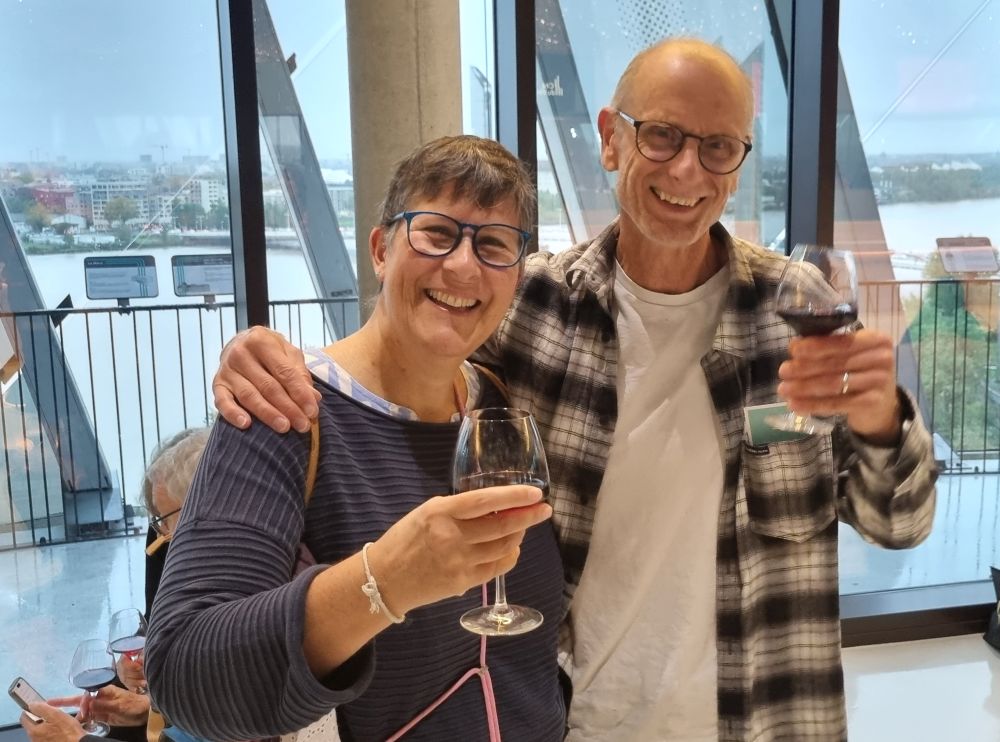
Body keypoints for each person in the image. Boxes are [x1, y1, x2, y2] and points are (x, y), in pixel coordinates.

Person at [211, 37, 939, 742]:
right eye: (661, 136)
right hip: (580, 720)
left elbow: (900, 525)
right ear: (610, 140)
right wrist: (270, 356)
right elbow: (408, 350)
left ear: (738, 163)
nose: (687, 169)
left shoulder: (793, 308)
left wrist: (880, 420)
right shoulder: (531, 305)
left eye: (717, 146)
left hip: (768, 718)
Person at [144, 136, 565, 741]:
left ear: (517, 274)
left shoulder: (496, 404)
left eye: (494, 244)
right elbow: (182, 672)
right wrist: (385, 580)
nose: (464, 266)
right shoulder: (287, 412)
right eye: (436, 233)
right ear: (380, 249)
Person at [21, 428, 211, 742]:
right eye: (156, 521)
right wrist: (149, 708)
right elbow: (205, 717)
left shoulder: (247, 613)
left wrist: (77, 741)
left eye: (166, 519)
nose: (161, 536)